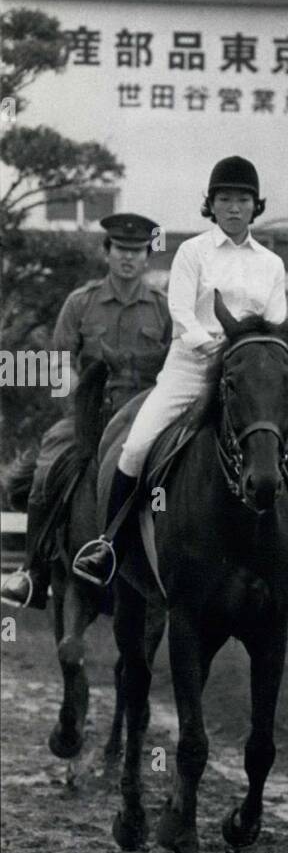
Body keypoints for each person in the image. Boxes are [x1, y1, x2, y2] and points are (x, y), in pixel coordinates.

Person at [70, 157, 288, 595]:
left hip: (250, 379)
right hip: (192, 366)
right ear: (212, 205)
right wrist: (216, 347)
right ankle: (109, 546)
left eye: (242, 200)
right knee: (136, 446)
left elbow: (276, 323)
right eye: (225, 199)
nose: (234, 208)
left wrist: (257, 358)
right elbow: (181, 312)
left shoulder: (271, 264)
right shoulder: (192, 252)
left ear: (255, 206)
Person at [1, 213, 170, 609]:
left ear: (147, 257)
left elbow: (175, 367)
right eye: (121, 250)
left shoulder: (163, 308)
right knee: (47, 462)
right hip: (89, 416)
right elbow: (59, 362)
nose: (129, 258)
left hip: (146, 418)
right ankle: (32, 571)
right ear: (107, 253)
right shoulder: (81, 302)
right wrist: (75, 404)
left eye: (137, 251)